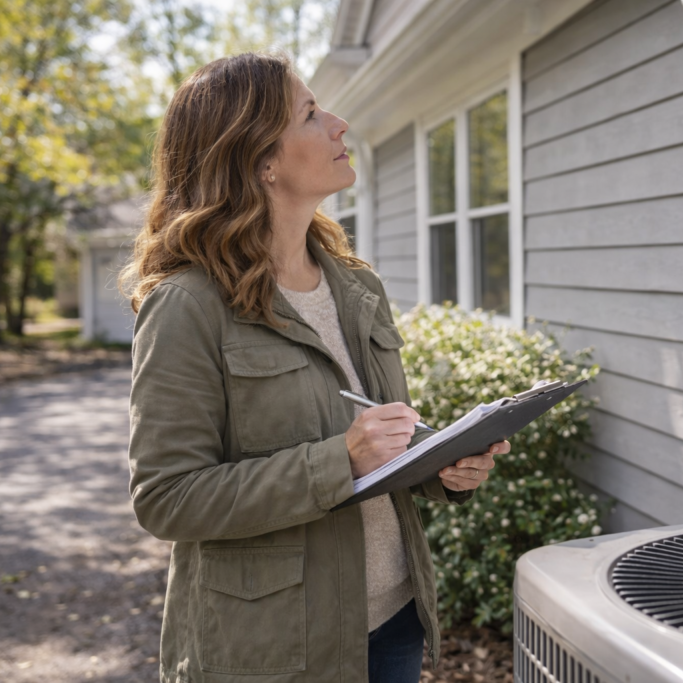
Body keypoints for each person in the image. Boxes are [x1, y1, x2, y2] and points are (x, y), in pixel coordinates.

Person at [120, 52, 509, 683]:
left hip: (394, 620)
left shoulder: (357, 287)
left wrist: (444, 466)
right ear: (261, 161)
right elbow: (167, 499)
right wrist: (338, 461)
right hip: (274, 652)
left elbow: (383, 438)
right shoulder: (187, 306)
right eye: (310, 113)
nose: (339, 123)